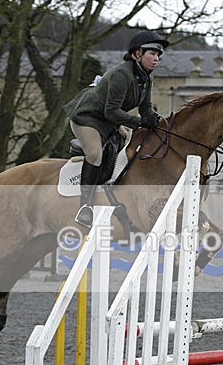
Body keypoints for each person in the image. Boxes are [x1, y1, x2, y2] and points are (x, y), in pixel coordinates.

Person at [64, 29, 169, 228]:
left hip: (109, 121)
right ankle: (85, 207)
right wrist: (139, 122)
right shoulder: (122, 74)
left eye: (158, 55)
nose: (157, 59)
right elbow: (111, 111)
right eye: (152, 54)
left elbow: (146, 108)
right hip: (87, 118)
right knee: (95, 154)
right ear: (137, 54)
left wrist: (158, 121)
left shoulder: (146, 78)